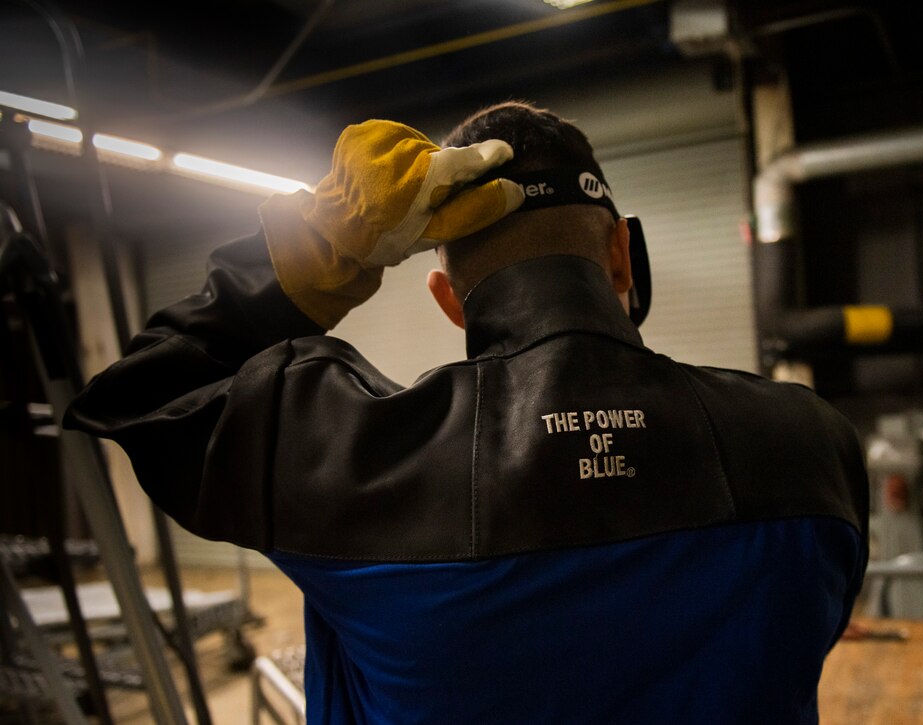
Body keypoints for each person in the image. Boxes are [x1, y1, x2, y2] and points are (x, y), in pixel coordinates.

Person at [65, 101, 869, 723]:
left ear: (449, 299)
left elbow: (137, 396)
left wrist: (319, 254)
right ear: (621, 252)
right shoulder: (812, 445)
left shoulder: (350, 459)